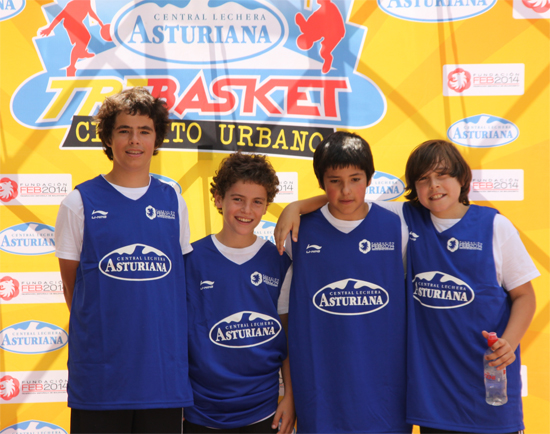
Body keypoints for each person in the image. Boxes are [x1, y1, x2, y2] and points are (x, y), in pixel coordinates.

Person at [275, 139, 538, 434]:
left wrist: (510, 342)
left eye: (442, 175)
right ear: (414, 187)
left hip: (489, 390)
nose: (434, 186)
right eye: (423, 179)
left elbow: (525, 295)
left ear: (462, 177)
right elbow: (349, 201)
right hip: (433, 403)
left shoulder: (495, 226)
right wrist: (296, 206)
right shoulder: (406, 218)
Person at [55, 87, 193, 433]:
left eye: (145, 131)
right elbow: (73, 290)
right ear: (108, 137)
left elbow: (178, 286)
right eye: (124, 130)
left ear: (156, 138)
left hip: (161, 378)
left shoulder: (173, 200)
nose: (135, 140)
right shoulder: (78, 202)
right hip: (100, 380)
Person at [278, 131, 410, 433]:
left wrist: (296, 204)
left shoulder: (397, 226)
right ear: (321, 183)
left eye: (355, 179)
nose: (346, 190)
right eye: (335, 181)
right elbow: (284, 315)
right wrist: (294, 207)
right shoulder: (298, 232)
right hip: (321, 389)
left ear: (370, 178)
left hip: (384, 390)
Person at [183, 152, 295, 434]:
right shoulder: (191, 259)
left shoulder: (279, 261)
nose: (247, 210)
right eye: (237, 199)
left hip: (263, 409)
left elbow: (287, 335)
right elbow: (175, 337)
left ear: (266, 206)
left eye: (257, 202)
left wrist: (290, 396)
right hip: (200, 410)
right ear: (218, 199)